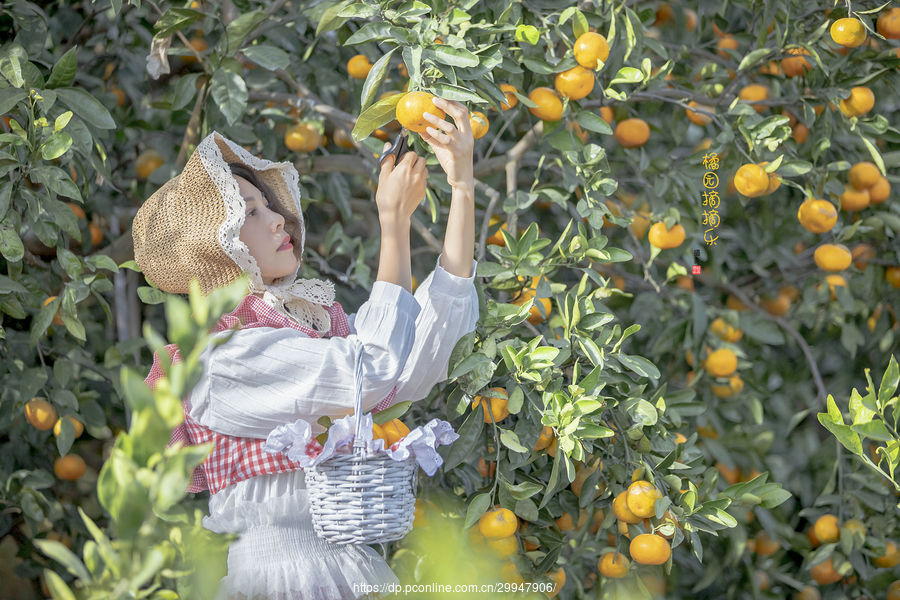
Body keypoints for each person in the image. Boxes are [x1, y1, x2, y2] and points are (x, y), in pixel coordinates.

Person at [132, 97, 479, 600]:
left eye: (269, 205)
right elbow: (373, 371)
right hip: (281, 580)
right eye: (250, 212)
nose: (277, 219)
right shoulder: (222, 360)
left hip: (352, 572)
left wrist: (462, 186)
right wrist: (393, 225)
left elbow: (419, 358)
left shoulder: (302, 333)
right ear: (218, 248)